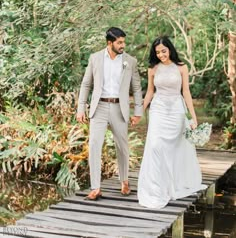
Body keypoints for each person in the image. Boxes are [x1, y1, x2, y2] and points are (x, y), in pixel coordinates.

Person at [137, 36, 206, 209]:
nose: (161, 55)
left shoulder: (181, 67)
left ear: (170, 49)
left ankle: (172, 184)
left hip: (176, 110)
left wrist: (193, 117)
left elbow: (186, 93)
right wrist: (140, 110)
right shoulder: (153, 69)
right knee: (155, 146)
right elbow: (150, 92)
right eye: (157, 52)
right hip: (158, 110)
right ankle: (155, 188)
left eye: (163, 51)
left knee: (174, 148)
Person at [77, 27, 143, 200]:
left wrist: (138, 111)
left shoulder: (130, 61)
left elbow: (136, 88)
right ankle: (96, 187)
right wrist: (81, 108)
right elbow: (86, 84)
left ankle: (125, 181)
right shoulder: (95, 58)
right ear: (110, 43)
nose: (123, 45)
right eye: (119, 42)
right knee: (94, 146)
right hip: (99, 107)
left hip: (119, 108)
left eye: (124, 42)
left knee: (122, 147)